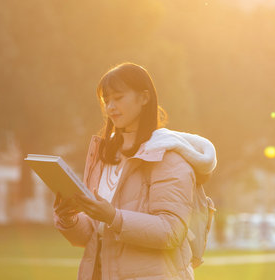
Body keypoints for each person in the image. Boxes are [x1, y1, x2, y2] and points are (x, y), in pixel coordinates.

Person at [53, 62, 216, 280]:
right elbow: (93, 234)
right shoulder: (106, 156)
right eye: (106, 100)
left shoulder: (168, 156)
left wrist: (113, 216)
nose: (110, 107)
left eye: (118, 98)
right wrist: (69, 218)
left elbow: (171, 231)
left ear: (144, 98)